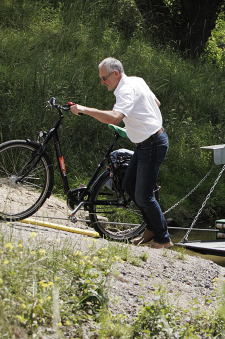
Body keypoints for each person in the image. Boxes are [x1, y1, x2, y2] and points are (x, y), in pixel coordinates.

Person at [70, 58, 172, 249]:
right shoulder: (137, 80)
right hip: (145, 143)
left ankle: (163, 239)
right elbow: (156, 103)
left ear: (116, 73)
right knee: (129, 184)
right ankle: (151, 228)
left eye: (104, 78)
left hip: (152, 144)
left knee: (144, 196)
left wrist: (85, 109)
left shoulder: (125, 90)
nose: (102, 82)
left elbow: (115, 118)